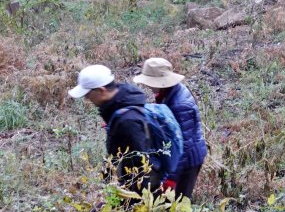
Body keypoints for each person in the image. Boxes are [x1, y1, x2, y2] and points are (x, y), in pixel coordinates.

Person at [68, 64, 159, 193]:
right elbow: (117, 151)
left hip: (138, 187)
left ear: (101, 90)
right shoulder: (119, 103)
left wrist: (127, 194)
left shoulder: (127, 120)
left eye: (88, 94)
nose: (87, 99)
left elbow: (141, 163)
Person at [134, 57, 207, 200]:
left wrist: (172, 178)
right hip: (179, 158)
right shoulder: (168, 93)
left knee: (180, 203)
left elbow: (184, 145)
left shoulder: (179, 105)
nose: (148, 86)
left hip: (188, 162)